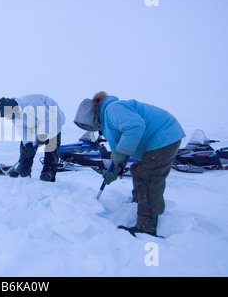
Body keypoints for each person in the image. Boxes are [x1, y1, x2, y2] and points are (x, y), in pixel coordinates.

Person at [74, 92, 185, 237]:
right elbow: (118, 150)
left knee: (148, 176)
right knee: (138, 170)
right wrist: (116, 168)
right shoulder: (107, 124)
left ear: (94, 116)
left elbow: (135, 126)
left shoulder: (113, 109)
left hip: (163, 135)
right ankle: (141, 204)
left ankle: (147, 226)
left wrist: (120, 152)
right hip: (157, 139)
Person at [0, 94, 66, 182]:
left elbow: (46, 118)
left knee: (51, 145)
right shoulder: (15, 117)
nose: (8, 118)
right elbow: (24, 130)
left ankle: (48, 173)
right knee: (26, 148)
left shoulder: (31, 104)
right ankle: (23, 170)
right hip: (35, 123)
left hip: (52, 118)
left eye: (7, 115)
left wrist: (42, 136)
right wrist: (28, 144)